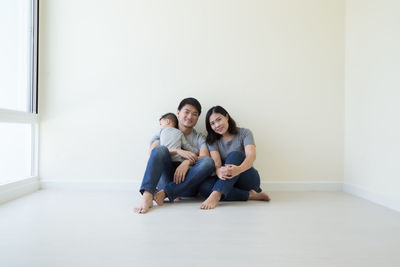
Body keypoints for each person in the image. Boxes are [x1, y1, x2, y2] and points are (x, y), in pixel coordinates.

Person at [134, 98, 215, 214]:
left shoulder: (199, 138)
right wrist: (178, 151)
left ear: (197, 118)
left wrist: (187, 162)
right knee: (160, 149)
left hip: (187, 184)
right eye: (186, 112)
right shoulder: (164, 131)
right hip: (165, 178)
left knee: (208, 162)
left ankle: (165, 193)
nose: (190, 116)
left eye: (194, 114)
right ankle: (147, 195)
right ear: (178, 113)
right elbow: (153, 152)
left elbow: (204, 157)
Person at [199, 105, 270, 210]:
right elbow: (217, 162)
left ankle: (216, 194)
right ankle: (251, 195)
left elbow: (251, 155)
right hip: (226, 180)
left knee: (235, 155)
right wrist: (218, 171)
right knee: (204, 188)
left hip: (247, 178)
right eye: (212, 123)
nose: (217, 125)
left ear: (226, 117)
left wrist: (239, 169)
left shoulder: (245, 133)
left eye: (219, 120)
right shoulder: (212, 140)